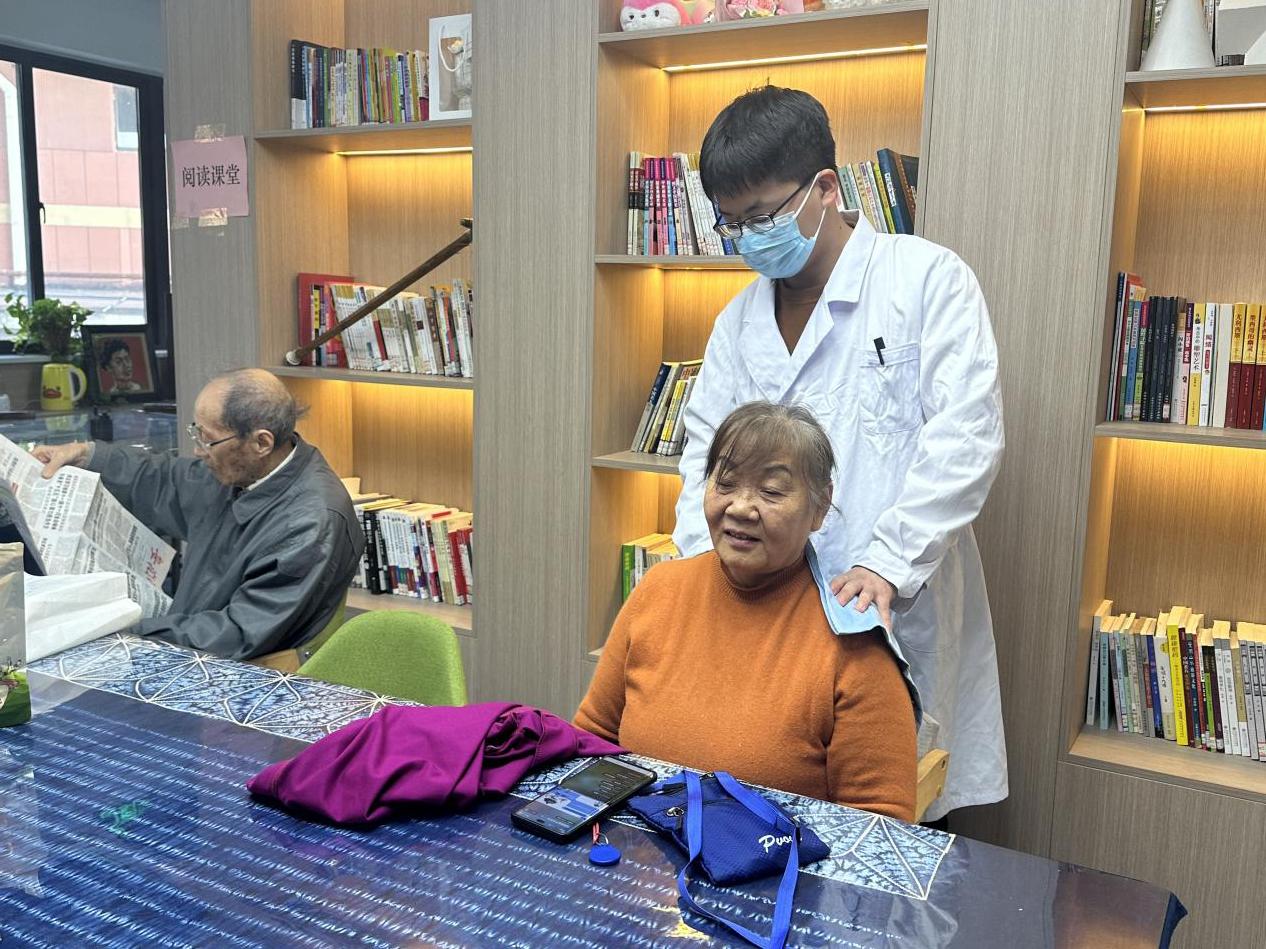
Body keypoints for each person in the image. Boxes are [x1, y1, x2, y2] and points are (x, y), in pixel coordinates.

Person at [672, 86, 1005, 824]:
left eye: (762, 217)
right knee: (763, 817)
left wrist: (888, 562)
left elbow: (966, 436)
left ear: (826, 187)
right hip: (762, 618)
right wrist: (705, 579)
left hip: (888, 608)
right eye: (733, 223)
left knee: (885, 826)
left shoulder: (925, 280)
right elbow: (704, 460)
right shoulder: (737, 323)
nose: (749, 238)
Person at [576, 402, 917, 821]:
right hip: (631, 851)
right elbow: (592, 740)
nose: (740, 507)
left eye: (771, 491)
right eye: (726, 483)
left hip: (771, 863)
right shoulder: (658, 589)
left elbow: (880, 824)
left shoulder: (854, 642)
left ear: (820, 507)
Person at [31, 368, 364, 661]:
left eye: (207, 439)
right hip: (187, 646)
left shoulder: (311, 521)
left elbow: (238, 633)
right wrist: (87, 455)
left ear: (261, 443)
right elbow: (161, 480)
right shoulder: (241, 470)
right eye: (197, 433)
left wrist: (126, 633)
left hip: (239, 676)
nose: (197, 450)